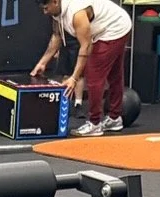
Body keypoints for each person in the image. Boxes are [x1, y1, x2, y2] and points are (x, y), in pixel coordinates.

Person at [30, 0, 133, 137]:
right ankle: (115, 118)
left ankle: (94, 123)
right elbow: (57, 36)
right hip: (108, 25)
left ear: (55, 2)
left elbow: (86, 46)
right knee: (114, 73)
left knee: (93, 75)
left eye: (46, 8)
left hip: (114, 27)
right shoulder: (57, 11)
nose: (44, 12)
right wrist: (42, 63)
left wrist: (74, 78)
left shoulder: (76, 13)